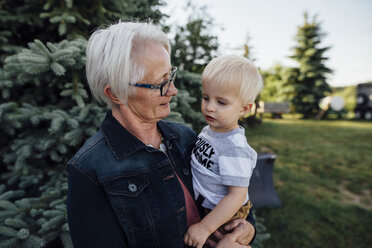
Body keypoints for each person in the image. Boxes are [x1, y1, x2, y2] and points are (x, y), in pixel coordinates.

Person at [66, 21, 256, 248]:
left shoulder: (185, 138)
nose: (173, 90)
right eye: (160, 83)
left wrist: (245, 229)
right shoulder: (89, 170)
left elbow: (232, 194)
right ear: (116, 93)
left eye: (170, 75)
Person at [184, 55, 263, 248]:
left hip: (224, 213)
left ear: (244, 108)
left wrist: (205, 226)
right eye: (206, 98)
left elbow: (236, 196)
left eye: (221, 102)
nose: (209, 107)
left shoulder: (234, 148)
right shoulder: (210, 131)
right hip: (207, 205)